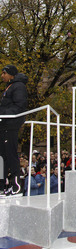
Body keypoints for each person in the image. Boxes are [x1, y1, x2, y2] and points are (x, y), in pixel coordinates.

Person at [0, 64, 28, 198]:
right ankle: (3, 185)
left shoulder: (19, 86)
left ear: (11, 74)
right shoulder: (9, 87)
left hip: (11, 124)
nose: (2, 75)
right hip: (4, 124)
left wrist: (4, 113)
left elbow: (19, 106)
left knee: (11, 154)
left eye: (4, 73)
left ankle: (17, 186)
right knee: (2, 156)